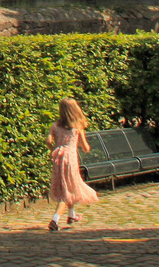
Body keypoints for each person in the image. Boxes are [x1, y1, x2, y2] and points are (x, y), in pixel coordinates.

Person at [47, 97, 100, 231]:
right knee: (68, 190)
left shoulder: (55, 125)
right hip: (70, 159)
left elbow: (48, 140)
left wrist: (53, 149)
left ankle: (72, 215)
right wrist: (87, 148)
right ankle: (55, 219)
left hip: (58, 157)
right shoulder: (77, 127)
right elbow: (85, 147)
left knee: (67, 185)